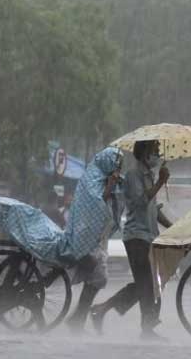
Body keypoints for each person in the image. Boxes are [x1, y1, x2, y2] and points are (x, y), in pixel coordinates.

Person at [90, 139, 171, 340]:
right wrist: (161, 182)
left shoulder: (149, 176)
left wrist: (173, 226)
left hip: (149, 235)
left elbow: (154, 208)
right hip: (136, 237)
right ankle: (146, 328)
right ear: (145, 152)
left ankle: (102, 310)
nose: (157, 155)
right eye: (155, 150)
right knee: (148, 284)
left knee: (148, 284)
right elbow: (140, 202)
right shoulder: (134, 175)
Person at [64, 151, 123, 333]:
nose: (120, 168)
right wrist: (111, 185)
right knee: (99, 277)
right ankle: (77, 318)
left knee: (95, 279)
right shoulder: (93, 181)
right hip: (86, 237)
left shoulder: (100, 179)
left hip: (98, 238)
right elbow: (96, 205)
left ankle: (77, 319)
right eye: (118, 164)